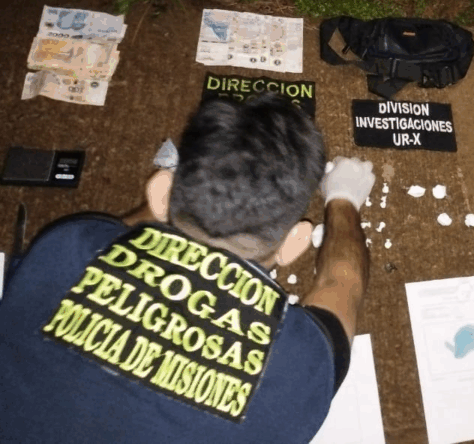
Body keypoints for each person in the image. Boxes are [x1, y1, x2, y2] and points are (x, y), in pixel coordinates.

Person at [0, 94, 375, 443]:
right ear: (296, 242)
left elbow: (119, 230)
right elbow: (344, 281)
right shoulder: (301, 363)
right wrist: (343, 198)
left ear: (161, 191)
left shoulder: (65, 247)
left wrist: (170, 194)